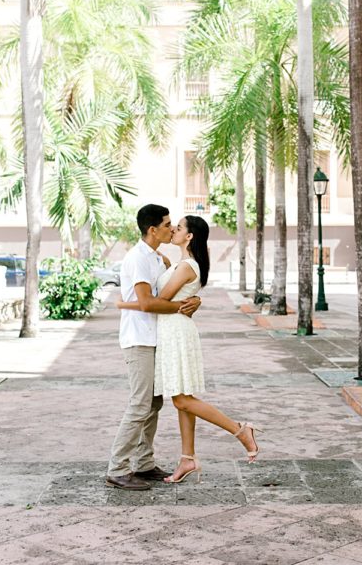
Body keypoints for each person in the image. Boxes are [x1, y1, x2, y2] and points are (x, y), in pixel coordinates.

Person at [117, 215, 260, 484]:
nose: (173, 230)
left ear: (190, 236)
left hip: (176, 332)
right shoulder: (172, 263)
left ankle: (240, 429)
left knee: (182, 400)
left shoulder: (186, 266)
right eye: (171, 225)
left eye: (179, 227)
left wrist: (125, 305)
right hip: (169, 331)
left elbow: (160, 300)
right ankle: (188, 459)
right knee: (182, 399)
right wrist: (194, 299)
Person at [105, 204, 201, 491]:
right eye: (167, 224)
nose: (171, 228)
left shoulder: (158, 259)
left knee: (154, 403)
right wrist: (182, 308)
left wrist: (194, 302)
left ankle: (144, 464)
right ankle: (118, 468)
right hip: (139, 339)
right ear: (152, 229)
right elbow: (147, 303)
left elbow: (175, 291)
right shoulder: (137, 259)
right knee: (139, 403)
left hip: (157, 337)